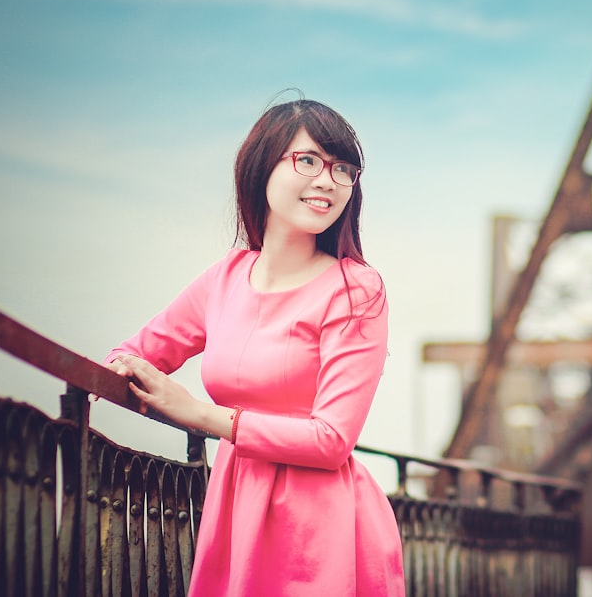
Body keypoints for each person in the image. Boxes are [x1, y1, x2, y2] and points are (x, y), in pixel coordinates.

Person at [103, 97, 406, 595]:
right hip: (233, 513)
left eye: (343, 169)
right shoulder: (224, 279)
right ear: (262, 165)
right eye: (307, 160)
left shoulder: (356, 289)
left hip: (323, 530)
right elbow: (131, 355)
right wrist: (116, 372)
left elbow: (331, 441)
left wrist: (198, 414)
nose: (328, 180)